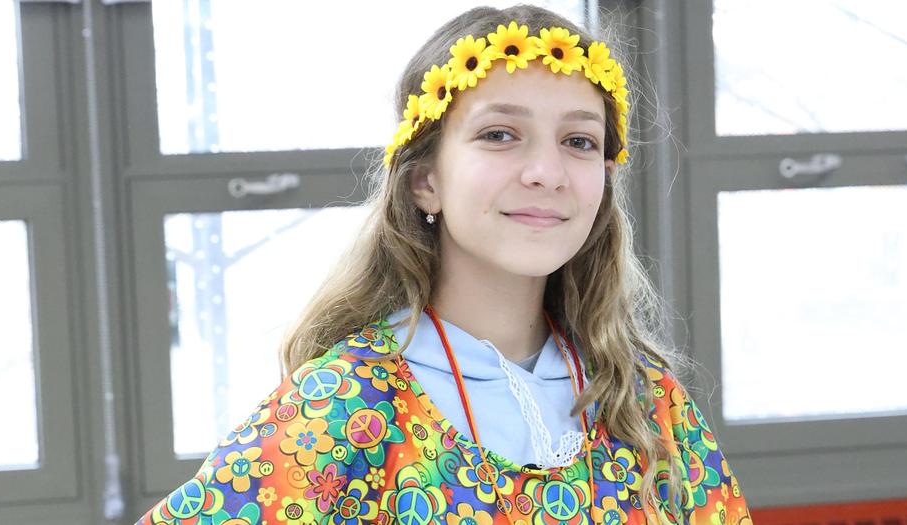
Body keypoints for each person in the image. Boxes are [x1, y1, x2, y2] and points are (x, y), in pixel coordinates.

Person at [134, 5, 752, 524]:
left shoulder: (642, 398)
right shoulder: (348, 403)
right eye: (500, 135)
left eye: (579, 141)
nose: (546, 171)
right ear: (426, 180)